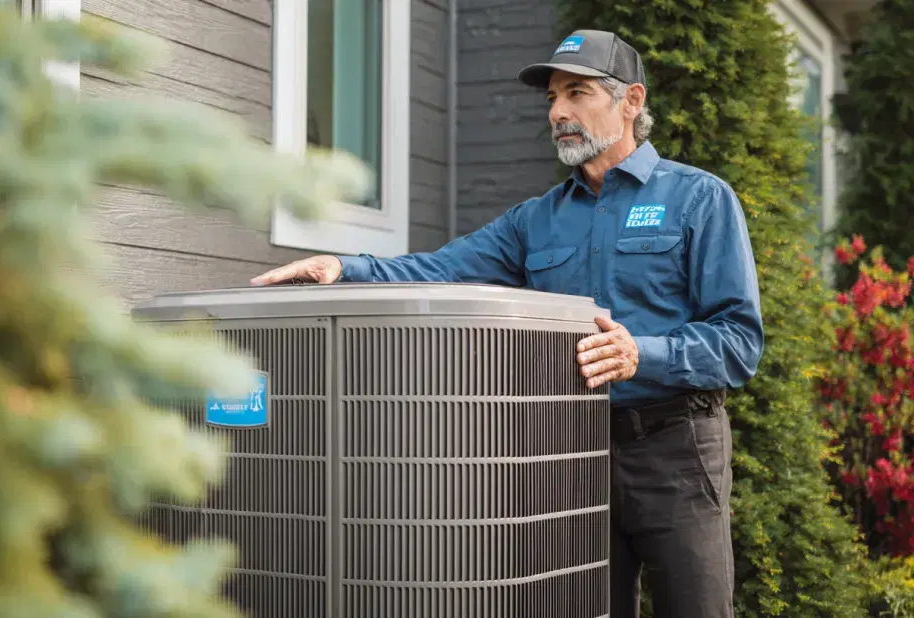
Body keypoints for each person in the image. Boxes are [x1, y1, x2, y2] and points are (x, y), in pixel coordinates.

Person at [251, 29, 761, 618]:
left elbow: (739, 342)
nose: (559, 112)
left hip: (674, 450)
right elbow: (439, 269)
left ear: (632, 101)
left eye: (577, 93)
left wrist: (640, 354)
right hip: (570, 453)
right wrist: (344, 266)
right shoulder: (535, 221)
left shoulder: (700, 199)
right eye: (551, 99)